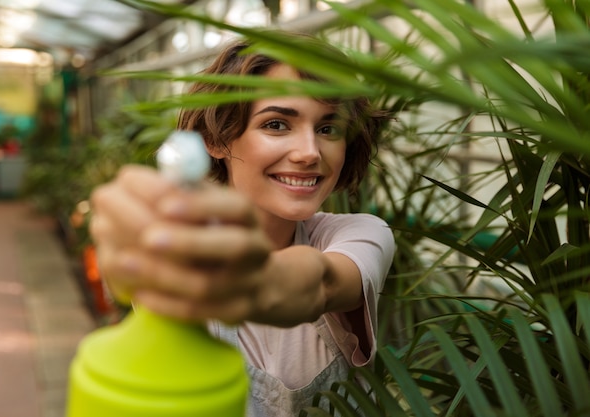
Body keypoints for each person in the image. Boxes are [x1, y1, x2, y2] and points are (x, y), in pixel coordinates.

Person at [89, 32, 395, 416]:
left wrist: (246, 282)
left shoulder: (362, 234)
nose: (309, 153)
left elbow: (323, 282)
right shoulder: (182, 251)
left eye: (328, 128)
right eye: (277, 125)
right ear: (215, 140)